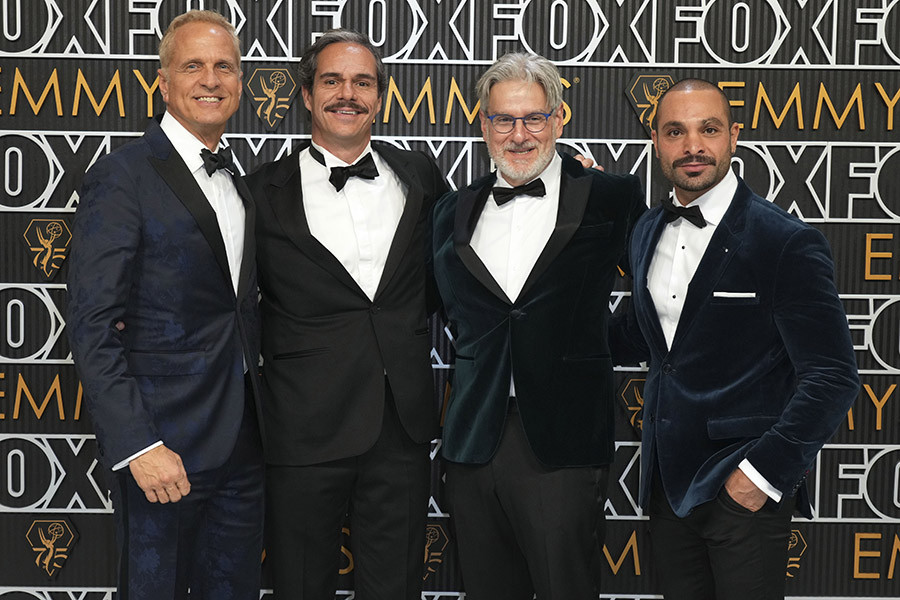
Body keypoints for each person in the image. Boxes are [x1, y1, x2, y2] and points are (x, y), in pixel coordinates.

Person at [611, 78, 859, 599]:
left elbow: (833, 376)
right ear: (656, 140)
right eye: (675, 131)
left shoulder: (784, 241)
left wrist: (760, 475)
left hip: (743, 489)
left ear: (734, 137)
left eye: (709, 130)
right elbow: (647, 336)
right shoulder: (645, 231)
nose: (692, 146)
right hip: (667, 487)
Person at [431, 52, 645, 598]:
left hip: (564, 445)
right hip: (473, 443)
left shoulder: (612, 197)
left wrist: (594, 346)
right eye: (504, 119)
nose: (519, 134)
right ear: (483, 124)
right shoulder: (450, 211)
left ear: (559, 118)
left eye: (534, 118)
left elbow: (660, 295)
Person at [244, 30, 449, 599]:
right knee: (301, 584)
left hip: (400, 425)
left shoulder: (423, 177)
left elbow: (453, 275)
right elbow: (236, 306)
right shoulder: (259, 193)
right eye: (331, 80)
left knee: (396, 586)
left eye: (363, 82)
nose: (347, 94)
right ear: (307, 95)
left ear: (380, 96)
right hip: (302, 426)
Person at [66, 10, 264, 599]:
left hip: (245, 449)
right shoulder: (123, 176)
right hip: (163, 452)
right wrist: (138, 446)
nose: (211, 79)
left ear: (240, 81)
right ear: (163, 80)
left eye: (224, 66)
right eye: (193, 65)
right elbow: (91, 323)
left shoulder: (240, 179)